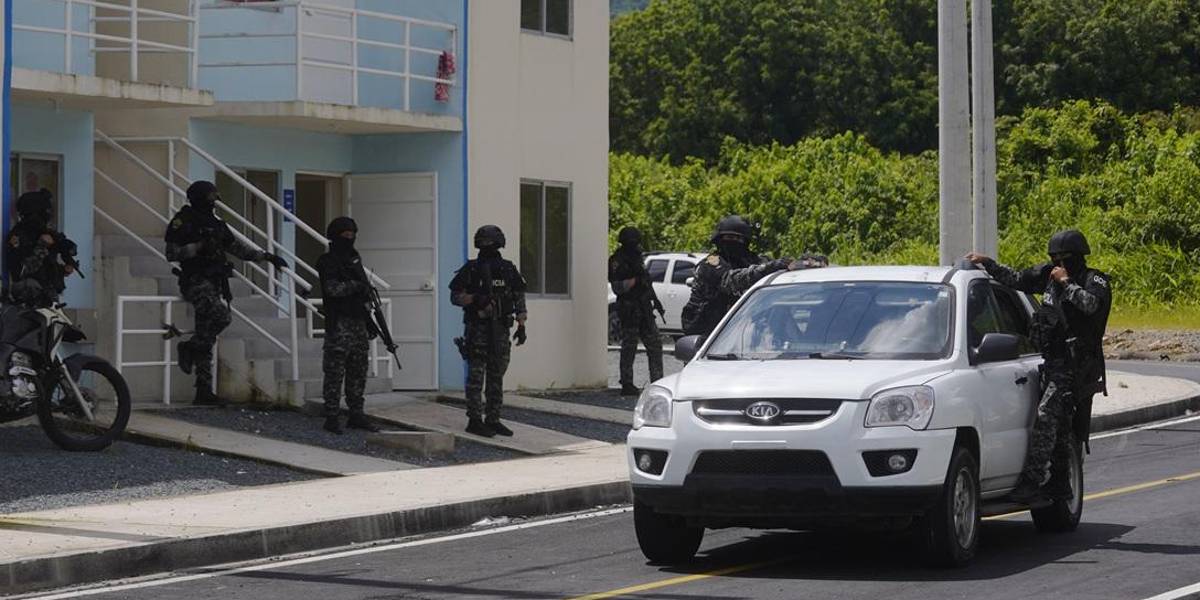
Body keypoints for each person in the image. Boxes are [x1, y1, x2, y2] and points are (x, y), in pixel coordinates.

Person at [966, 229, 1111, 502]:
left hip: (1077, 366)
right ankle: (1059, 484)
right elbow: (1017, 279)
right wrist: (988, 263)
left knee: (1046, 417)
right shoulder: (1048, 276)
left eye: (1064, 259)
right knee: (1061, 427)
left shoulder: (1095, 280)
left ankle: (1032, 481)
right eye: (1054, 259)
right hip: (1052, 362)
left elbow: (1091, 306)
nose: (1058, 264)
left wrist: (1067, 283)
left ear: (1078, 257)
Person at [165, 180, 288, 407]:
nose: (213, 205)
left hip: (214, 282)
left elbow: (238, 249)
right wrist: (198, 247)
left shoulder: (216, 223)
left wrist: (267, 257)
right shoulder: (183, 222)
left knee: (207, 333)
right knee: (222, 317)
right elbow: (171, 253)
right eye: (210, 200)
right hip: (195, 280)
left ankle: (203, 390)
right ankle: (189, 346)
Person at [449, 225, 528, 438]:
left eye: (489, 242)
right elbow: (455, 296)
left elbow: (518, 296)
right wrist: (475, 299)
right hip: (478, 329)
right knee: (476, 377)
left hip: (501, 329)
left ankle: (493, 419)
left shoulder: (507, 269)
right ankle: (474, 420)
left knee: (497, 375)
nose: (487, 246)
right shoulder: (472, 269)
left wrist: (521, 324)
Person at [681, 215, 807, 338]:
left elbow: (775, 267)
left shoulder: (750, 260)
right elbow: (731, 281)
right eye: (730, 237)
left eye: (739, 239)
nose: (734, 242)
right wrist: (770, 267)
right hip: (707, 332)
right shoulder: (711, 263)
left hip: (740, 328)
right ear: (719, 240)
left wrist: (803, 263)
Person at [316, 217, 381, 434]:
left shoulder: (354, 258)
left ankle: (356, 414)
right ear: (335, 236)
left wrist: (369, 317)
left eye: (353, 234)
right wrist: (356, 286)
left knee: (358, 370)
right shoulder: (327, 261)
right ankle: (332, 416)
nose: (350, 238)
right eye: (345, 235)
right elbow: (332, 289)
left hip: (358, 321)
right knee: (335, 371)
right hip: (339, 323)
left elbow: (362, 291)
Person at [608, 226, 664, 396]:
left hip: (644, 308)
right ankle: (627, 383)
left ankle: (658, 382)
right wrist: (633, 281)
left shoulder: (638, 258)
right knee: (629, 347)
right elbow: (617, 287)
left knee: (654, 345)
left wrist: (656, 301)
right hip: (629, 308)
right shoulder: (617, 260)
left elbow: (647, 283)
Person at [5, 189, 79, 307]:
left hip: (48, 296)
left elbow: (48, 267)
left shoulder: (45, 233)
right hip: (29, 298)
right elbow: (22, 270)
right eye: (44, 211)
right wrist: (42, 246)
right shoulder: (19, 235)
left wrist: (64, 269)